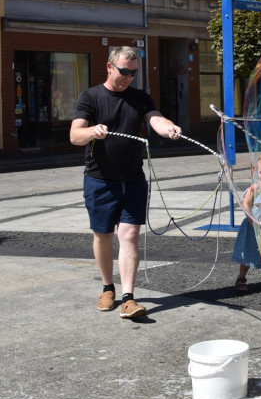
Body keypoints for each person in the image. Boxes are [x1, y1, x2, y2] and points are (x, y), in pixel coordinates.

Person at [69, 46, 181, 320]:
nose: (129, 77)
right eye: (124, 71)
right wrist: (92, 132)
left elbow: (155, 118)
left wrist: (168, 128)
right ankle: (108, 288)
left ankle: (129, 297)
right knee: (102, 235)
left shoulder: (139, 97)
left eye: (133, 72)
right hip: (100, 180)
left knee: (129, 235)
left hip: (133, 179)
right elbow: (74, 135)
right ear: (109, 67)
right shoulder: (91, 97)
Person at [232, 153, 261, 291]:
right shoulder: (255, 188)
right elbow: (245, 204)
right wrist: (252, 220)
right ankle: (241, 278)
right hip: (253, 227)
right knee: (249, 253)